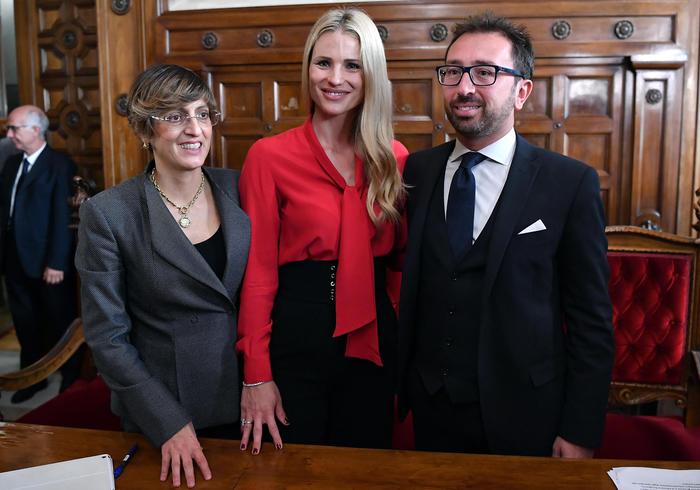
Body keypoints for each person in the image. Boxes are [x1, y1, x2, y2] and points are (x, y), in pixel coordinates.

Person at [398, 12, 615, 458]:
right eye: (453, 72)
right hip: (431, 407)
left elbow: (591, 321)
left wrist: (579, 431)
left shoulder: (569, 183)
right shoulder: (418, 170)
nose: (464, 87)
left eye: (485, 72)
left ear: (522, 90)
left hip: (524, 413)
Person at [237, 7, 408, 454]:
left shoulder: (395, 158)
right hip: (297, 334)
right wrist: (256, 372)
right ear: (307, 68)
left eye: (352, 65)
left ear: (371, 74)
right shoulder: (268, 157)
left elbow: (401, 267)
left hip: (374, 337)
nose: (336, 78)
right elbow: (257, 274)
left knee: (366, 471)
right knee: (292, 471)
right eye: (324, 62)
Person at [75, 64, 250, 488]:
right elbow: (107, 339)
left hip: (250, 402)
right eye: (175, 116)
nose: (194, 128)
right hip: (167, 415)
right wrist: (167, 421)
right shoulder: (109, 213)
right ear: (144, 129)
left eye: (202, 114)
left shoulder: (241, 187)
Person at [0, 105, 76, 403]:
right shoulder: (10, 164)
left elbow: (62, 216)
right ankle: (32, 379)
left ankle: (70, 378)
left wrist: (57, 261)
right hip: (14, 258)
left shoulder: (60, 165)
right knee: (25, 322)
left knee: (60, 320)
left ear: (35, 129)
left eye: (14, 128)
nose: (9, 134)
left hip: (48, 261)